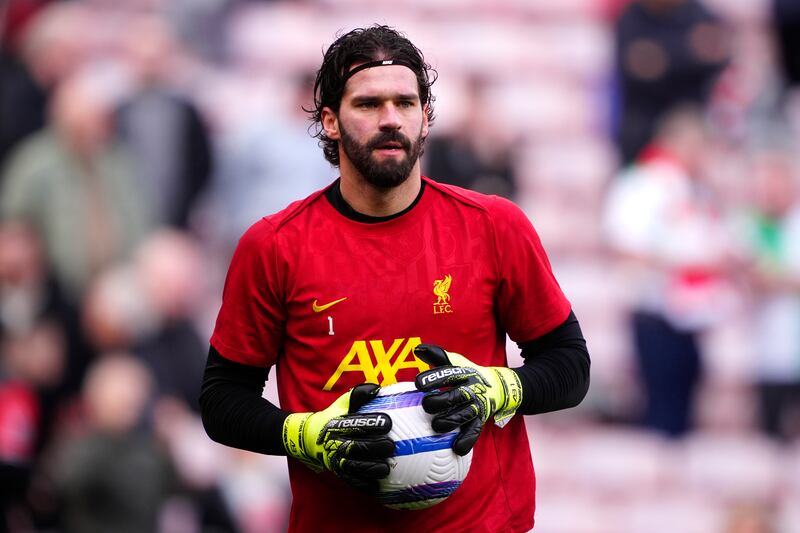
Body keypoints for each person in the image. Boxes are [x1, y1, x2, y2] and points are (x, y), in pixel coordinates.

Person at [200, 25, 590, 532]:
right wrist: (306, 435)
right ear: (330, 121)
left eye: (406, 103)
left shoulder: (494, 226)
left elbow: (570, 364)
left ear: (426, 119)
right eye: (367, 104)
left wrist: (498, 389)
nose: (390, 119)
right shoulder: (274, 245)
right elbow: (222, 398)